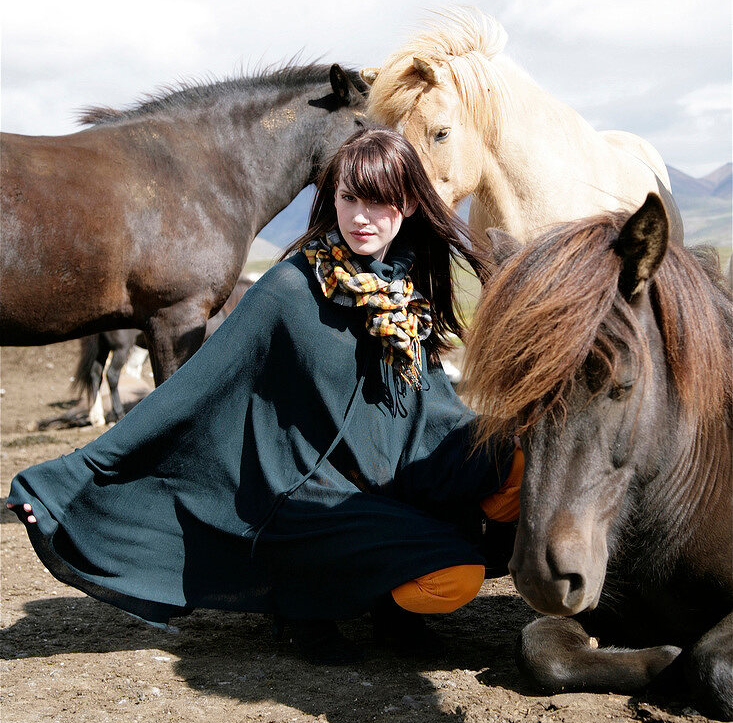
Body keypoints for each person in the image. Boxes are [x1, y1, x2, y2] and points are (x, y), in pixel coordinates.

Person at [7, 128, 522, 663]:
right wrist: (69, 473)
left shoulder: (405, 291)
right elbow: (190, 389)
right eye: (349, 198)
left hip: (391, 475)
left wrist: (485, 443)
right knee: (452, 578)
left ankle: (393, 615)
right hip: (309, 490)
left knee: (518, 465)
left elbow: (424, 398)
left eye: (379, 201)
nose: (360, 217)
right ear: (332, 199)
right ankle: (310, 610)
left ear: (410, 204)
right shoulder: (288, 289)